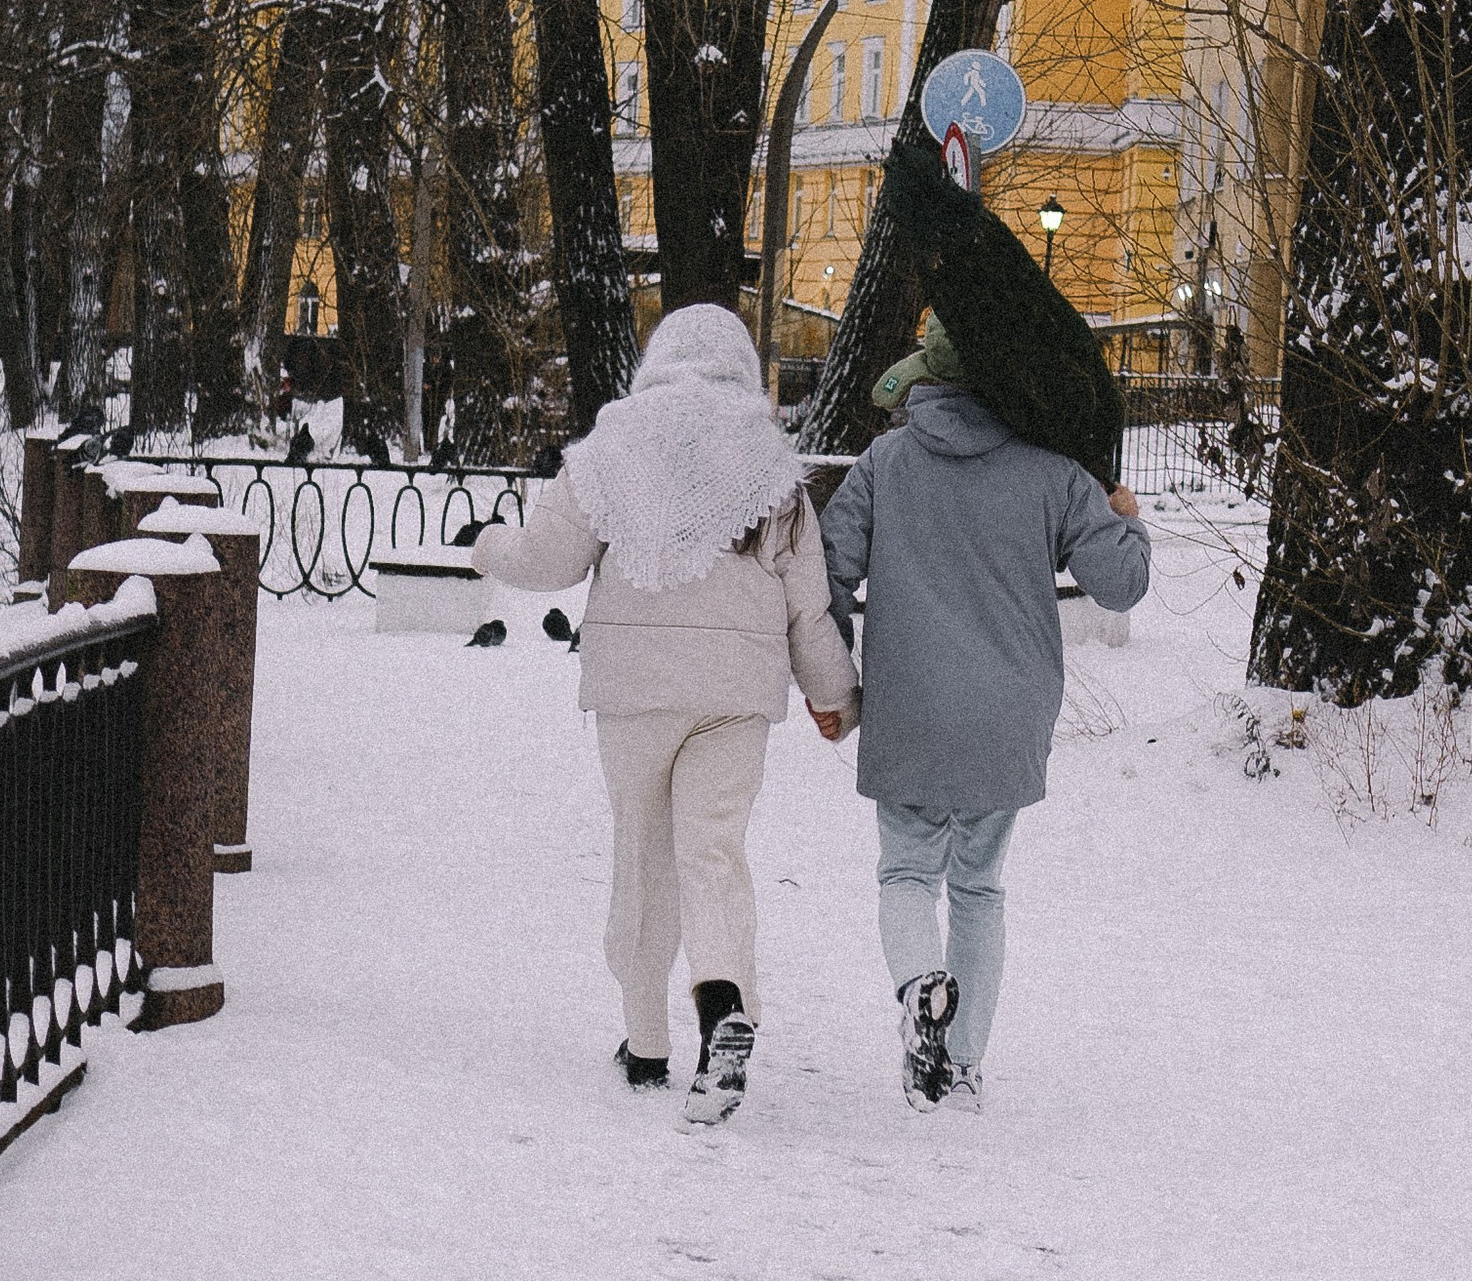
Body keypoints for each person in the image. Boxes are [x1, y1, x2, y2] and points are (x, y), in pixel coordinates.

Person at [478, 305, 856, 1124]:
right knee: (712, 853)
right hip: (735, 696)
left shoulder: (609, 448)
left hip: (634, 692)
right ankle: (723, 1009)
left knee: (643, 853)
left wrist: (488, 543)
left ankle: (646, 1042)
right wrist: (835, 696)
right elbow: (808, 608)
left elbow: (545, 561)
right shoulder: (771, 465)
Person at [819, 315, 1150, 1110]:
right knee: (977, 887)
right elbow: (1121, 586)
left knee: (907, 871)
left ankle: (918, 988)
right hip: (1008, 713)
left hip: (910, 707)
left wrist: (833, 679)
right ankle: (962, 1067)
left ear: (926, 377)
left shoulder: (886, 462)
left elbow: (826, 568)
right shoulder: (1053, 471)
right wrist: (1127, 519)